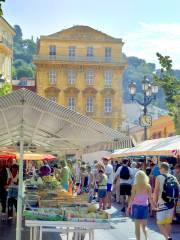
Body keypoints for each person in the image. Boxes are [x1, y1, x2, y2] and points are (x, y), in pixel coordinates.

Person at [153, 162, 180, 240]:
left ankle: (167, 237)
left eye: (159, 169)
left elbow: (156, 191)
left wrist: (154, 204)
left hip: (162, 203)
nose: (159, 170)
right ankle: (169, 237)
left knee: (159, 223)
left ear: (162, 168)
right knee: (168, 222)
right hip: (171, 202)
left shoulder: (159, 177)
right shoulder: (173, 177)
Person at [127, 171, 156, 240]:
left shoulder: (135, 186)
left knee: (137, 227)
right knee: (144, 226)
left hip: (136, 207)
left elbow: (132, 198)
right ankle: (146, 238)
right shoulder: (148, 186)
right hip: (145, 207)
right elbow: (150, 198)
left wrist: (128, 207)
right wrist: (153, 206)